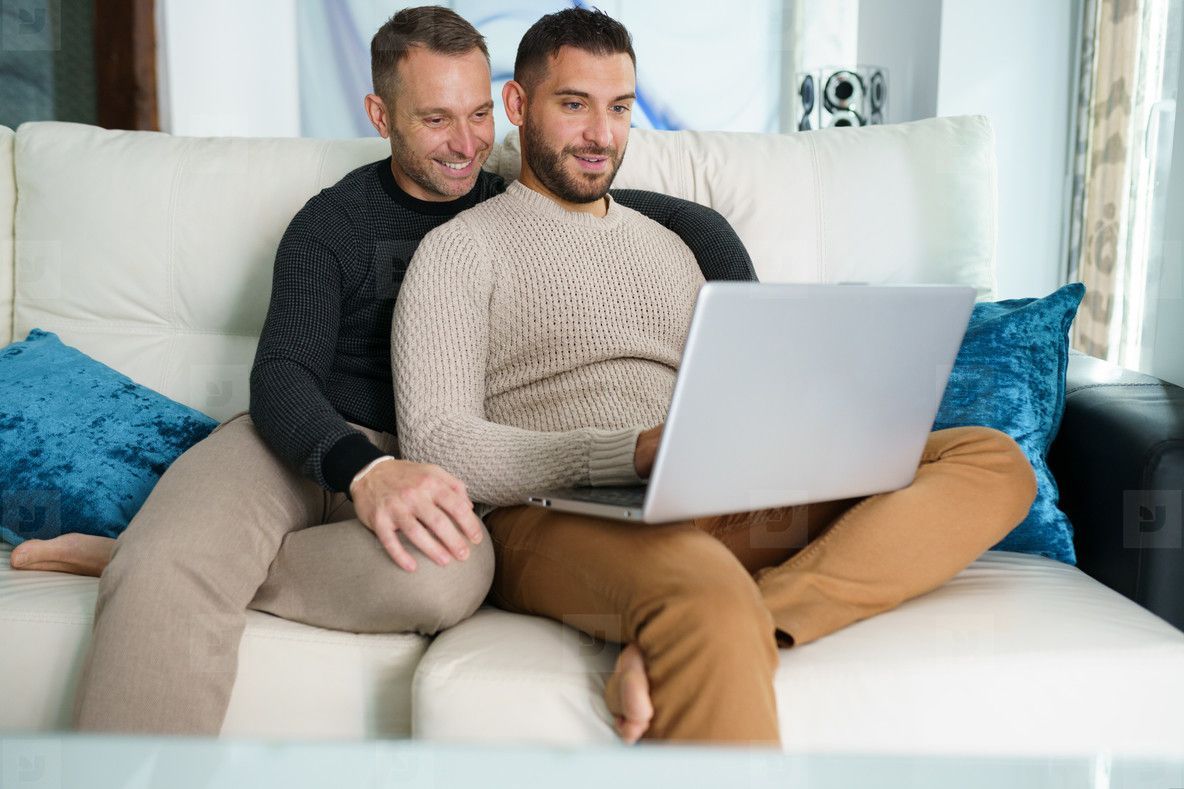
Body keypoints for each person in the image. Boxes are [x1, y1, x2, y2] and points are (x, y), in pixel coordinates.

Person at [11, 7, 756, 735]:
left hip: (427, 454)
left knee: (448, 577)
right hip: (300, 443)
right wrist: (365, 472)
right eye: (436, 120)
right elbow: (280, 377)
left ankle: (178, 559)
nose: (465, 145)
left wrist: (736, 301)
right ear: (380, 113)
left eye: (476, 116)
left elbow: (652, 212)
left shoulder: (508, 198)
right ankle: (172, 564)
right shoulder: (329, 223)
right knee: (172, 567)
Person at [391, 7, 1039, 746]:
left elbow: (737, 384)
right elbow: (437, 444)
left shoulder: (674, 247)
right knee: (705, 593)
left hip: (711, 487)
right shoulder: (458, 252)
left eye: (620, 109)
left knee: (991, 459)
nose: (601, 135)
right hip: (558, 515)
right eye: (574, 105)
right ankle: (720, 618)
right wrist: (624, 451)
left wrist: (803, 428)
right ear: (518, 105)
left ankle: (758, 615)